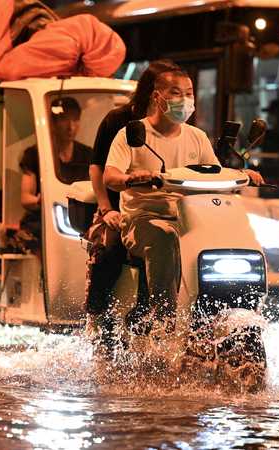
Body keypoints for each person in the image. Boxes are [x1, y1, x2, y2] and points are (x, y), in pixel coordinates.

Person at [104, 69, 264, 331]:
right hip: (144, 219)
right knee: (165, 237)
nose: (185, 100)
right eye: (176, 93)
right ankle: (163, 318)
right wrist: (132, 178)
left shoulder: (196, 136)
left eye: (189, 94)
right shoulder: (132, 134)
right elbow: (110, 176)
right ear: (158, 97)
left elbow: (216, 174)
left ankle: (241, 307)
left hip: (192, 218)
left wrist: (243, 175)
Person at [85, 60, 180, 350]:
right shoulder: (119, 120)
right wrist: (106, 209)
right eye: (173, 91)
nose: (180, 99)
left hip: (168, 209)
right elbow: (98, 168)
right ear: (154, 91)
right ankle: (98, 314)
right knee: (111, 249)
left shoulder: (182, 126)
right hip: (120, 205)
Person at [19, 97, 90, 252]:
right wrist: (40, 200)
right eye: (64, 120)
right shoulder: (34, 154)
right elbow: (25, 198)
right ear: (53, 123)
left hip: (80, 220)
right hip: (43, 220)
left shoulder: (88, 154)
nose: (70, 127)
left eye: (75, 120)